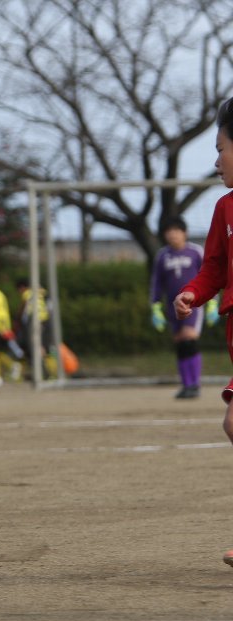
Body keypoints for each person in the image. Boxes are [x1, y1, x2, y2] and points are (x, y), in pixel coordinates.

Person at [174, 96, 233, 567]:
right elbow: (213, 266)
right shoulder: (224, 209)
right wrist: (193, 292)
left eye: (221, 149)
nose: (216, 161)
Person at [151, 215, 217, 399]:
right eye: (169, 231)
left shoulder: (195, 252)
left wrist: (212, 302)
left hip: (193, 304)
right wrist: (155, 307)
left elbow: (210, 275)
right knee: (180, 343)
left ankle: (195, 384)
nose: (173, 235)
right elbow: (157, 283)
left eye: (176, 231)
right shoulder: (162, 256)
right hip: (172, 306)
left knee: (189, 340)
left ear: (185, 233)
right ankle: (186, 384)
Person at [15, 277, 59, 381]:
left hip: (35, 320)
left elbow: (22, 309)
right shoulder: (43, 292)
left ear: (22, 288)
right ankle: (53, 373)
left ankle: (45, 373)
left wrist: (17, 320)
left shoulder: (28, 293)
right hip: (47, 320)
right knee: (46, 348)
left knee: (34, 347)